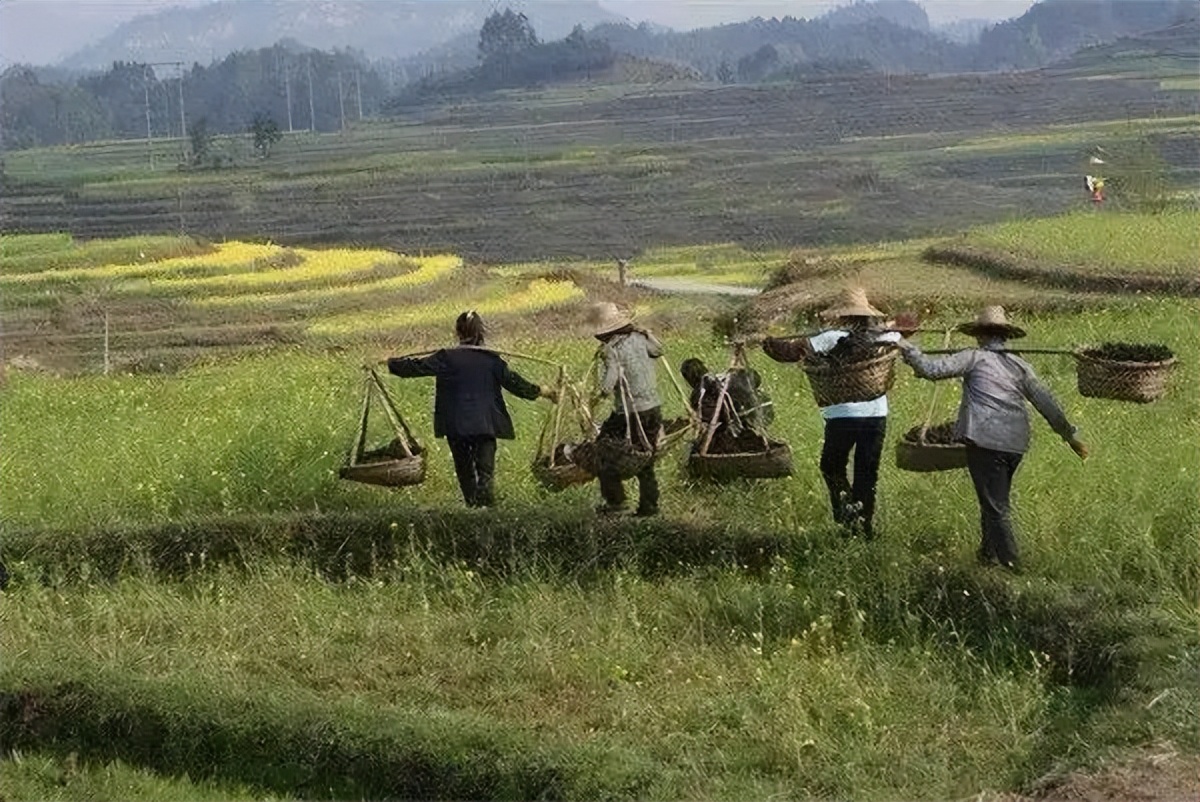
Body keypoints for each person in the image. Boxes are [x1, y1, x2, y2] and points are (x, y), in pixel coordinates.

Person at [898, 306, 1088, 571]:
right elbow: (1047, 404)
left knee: (995, 505)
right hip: (1015, 444)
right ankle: (987, 557)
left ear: (979, 335)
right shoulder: (1021, 366)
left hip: (987, 441)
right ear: (1003, 336)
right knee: (993, 499)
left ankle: (1012, 565)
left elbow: (932, 369)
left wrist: (908, 349)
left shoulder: (974, 357)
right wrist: (1070, 436)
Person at [762, 287, 904, 539]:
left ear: (843, 316)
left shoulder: (830, 338)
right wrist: (891, 325)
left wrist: (766, 342)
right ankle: (865, 525)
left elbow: (790, 352)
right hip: (876, 415)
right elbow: (909, 324)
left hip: (842, 415)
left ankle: (846, 514)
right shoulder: (888, 337)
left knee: (831, 465)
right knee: (867, 470)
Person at [386, 311, 556, 508]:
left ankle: (472, 505)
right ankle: (486, 507)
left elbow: (416, 367)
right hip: (484, 424)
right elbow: (516, 384)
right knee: (485, 471)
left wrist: (391, 364)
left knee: (464, 469)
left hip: (455, 425)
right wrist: (543, 391)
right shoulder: (491, 360)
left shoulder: (446, 357)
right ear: (481, 332)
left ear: (458, 332)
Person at [588, 301, 664, 517]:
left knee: (602, 450)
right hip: (653, 408)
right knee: (646, 455)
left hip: (630, 413)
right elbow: (659, 350)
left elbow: (611, 378)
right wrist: (647, 333)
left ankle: (616, 502)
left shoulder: (612, 349)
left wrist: (599, 395)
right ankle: (649, 506)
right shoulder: (640, 339)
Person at [680, 357, 773, 453]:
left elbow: (711, 418)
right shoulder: (723, 378)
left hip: (738, 426)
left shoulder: (700, 393)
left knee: (700, 446)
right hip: (758, 414)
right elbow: (755, 378)